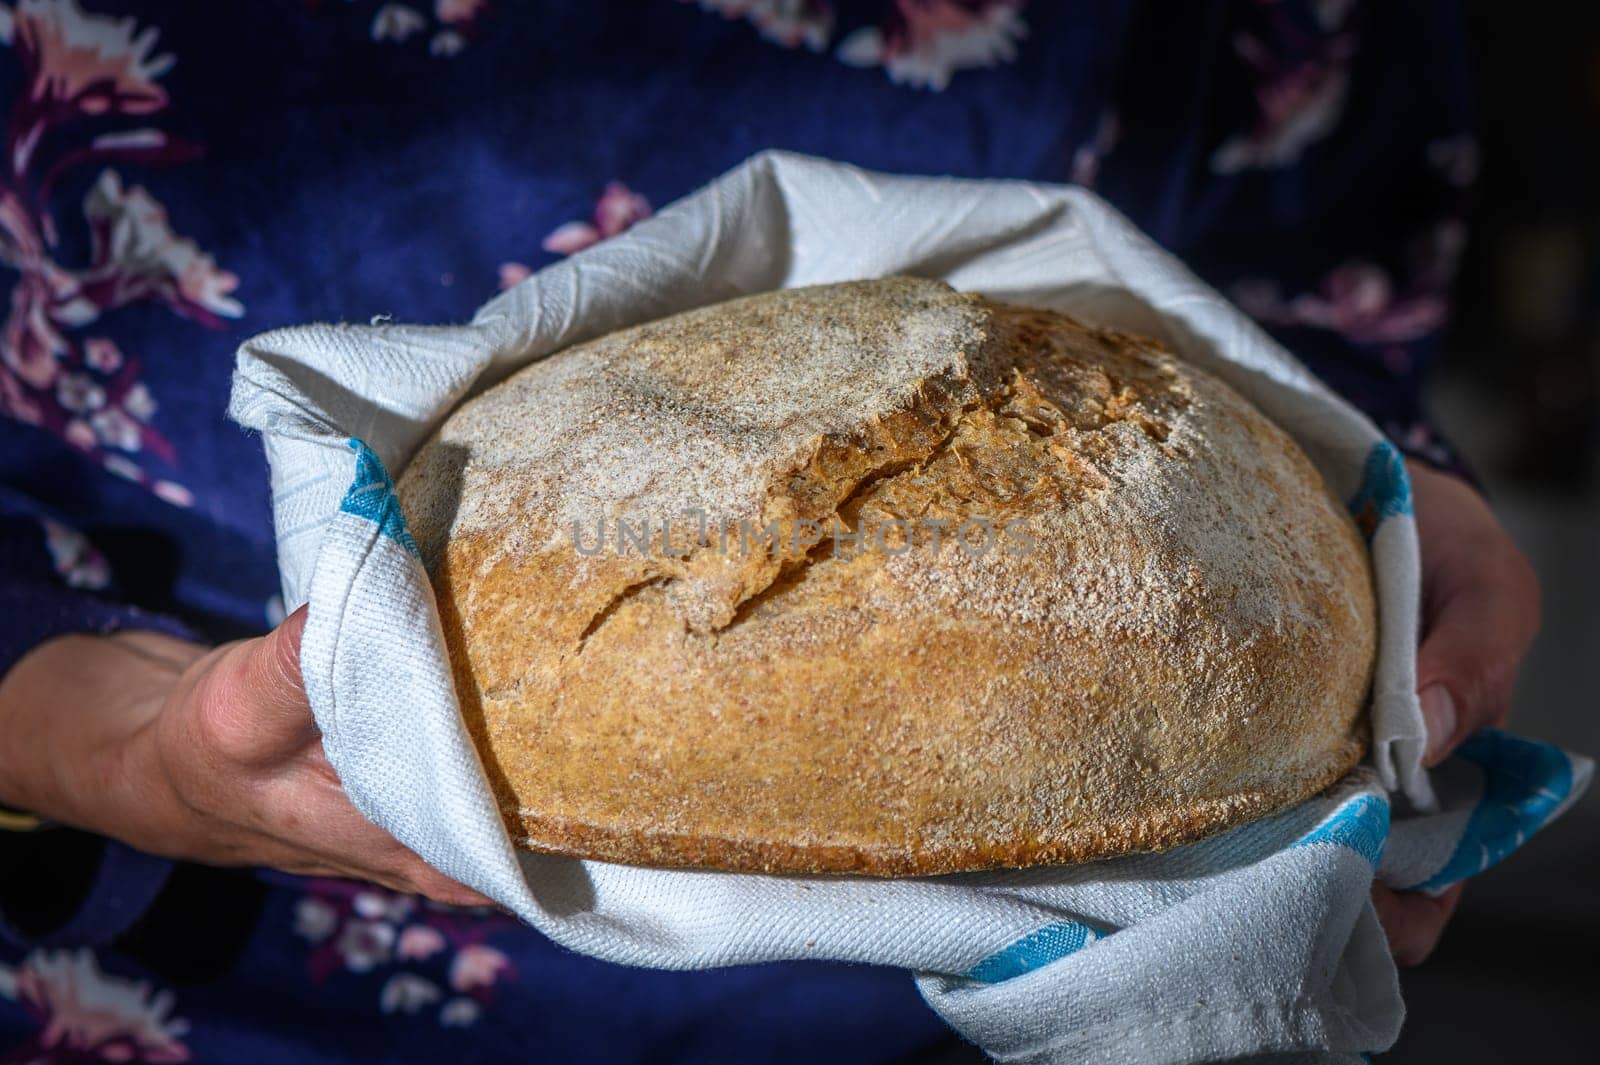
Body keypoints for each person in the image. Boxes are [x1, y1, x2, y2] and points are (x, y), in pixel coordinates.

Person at [0, 2, 1540, 1061]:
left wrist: (1389, 474)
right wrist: (74, 736)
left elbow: (1327, 215)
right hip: (230, 974)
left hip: (1013, 1001)